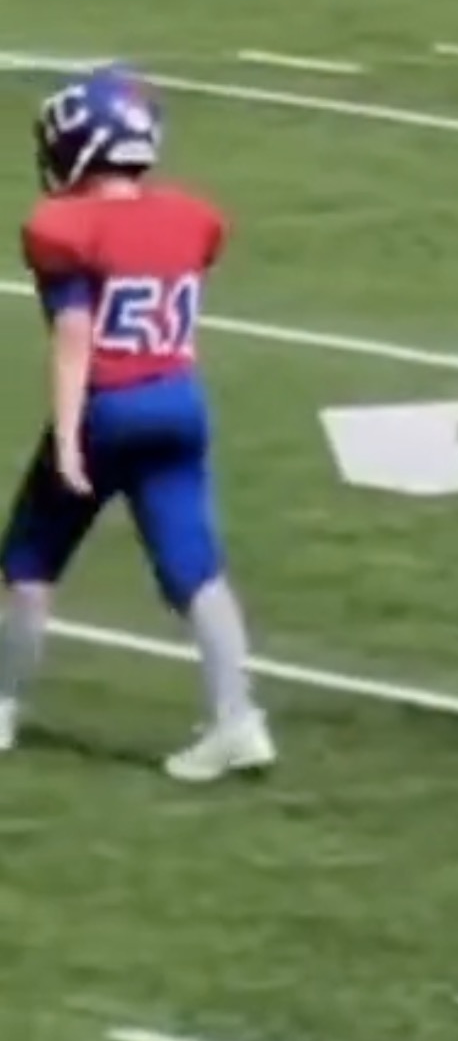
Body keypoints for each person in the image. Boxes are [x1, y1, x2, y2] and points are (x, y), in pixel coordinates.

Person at [0, 65, 274, 782]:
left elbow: (73, 336)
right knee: (197, 572)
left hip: (108, 408)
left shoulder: (68, 228)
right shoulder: (189, 216)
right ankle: (236, 719)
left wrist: (66, 435)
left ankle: (1, 706)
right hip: (179, 402)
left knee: (29, 563)